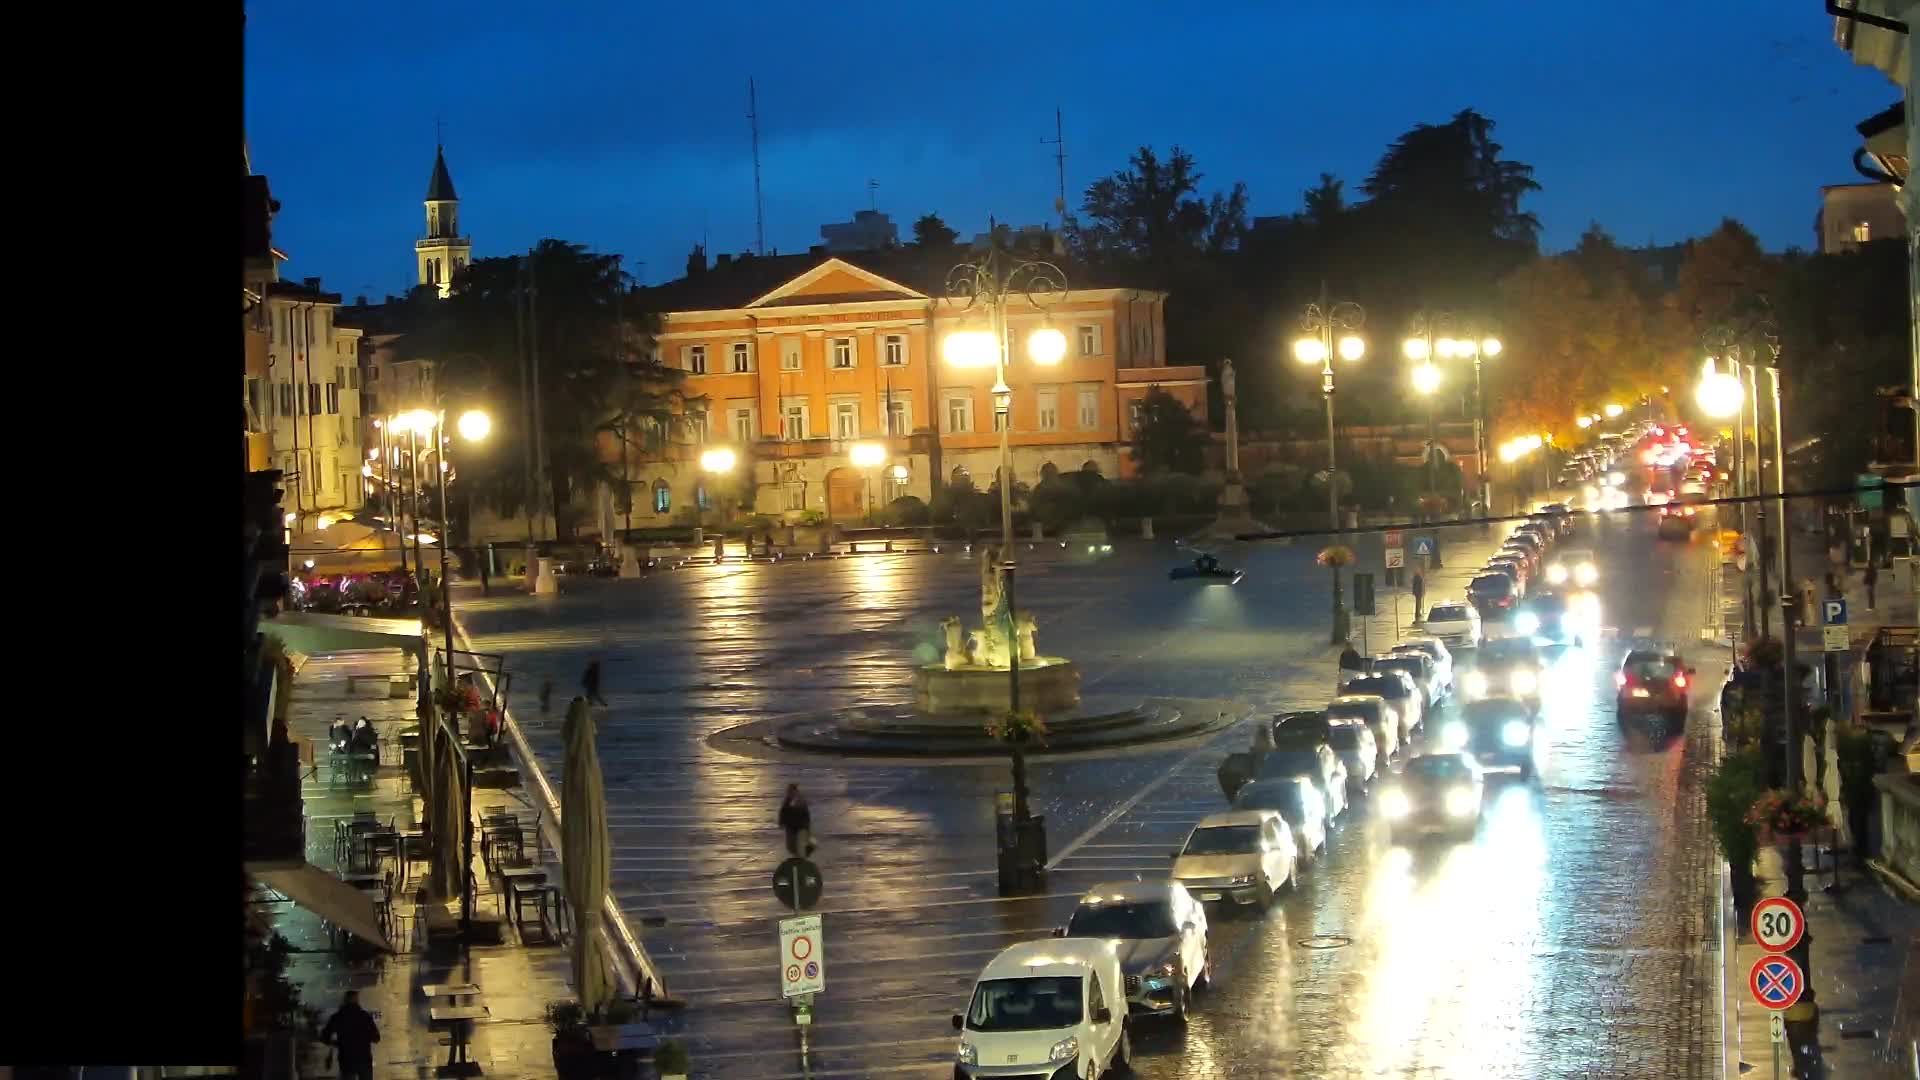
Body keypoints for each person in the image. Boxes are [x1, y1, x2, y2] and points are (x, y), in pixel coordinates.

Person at [321, 990, 380, 1080]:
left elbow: (324, 1037)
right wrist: (364, 1038)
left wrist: (337, 1043)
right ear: (357, 1000)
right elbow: (376, 1038)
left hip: (346, 1060)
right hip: (364, 1059)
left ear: (344, 1001)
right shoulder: (365, 1017)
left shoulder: (337, 1017)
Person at [779, 784, 815, 857]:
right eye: (789, 791)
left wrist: (806, 826)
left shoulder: (800, 800)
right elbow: (783, 812)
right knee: (790, 846)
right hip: (791, 826)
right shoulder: (787, 801)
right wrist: (782, 822)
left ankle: (800, 857)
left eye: (791, 791)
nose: (790, 793)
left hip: (799, 826)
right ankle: (798, 856)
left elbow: (805, 813)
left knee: (797, 845)